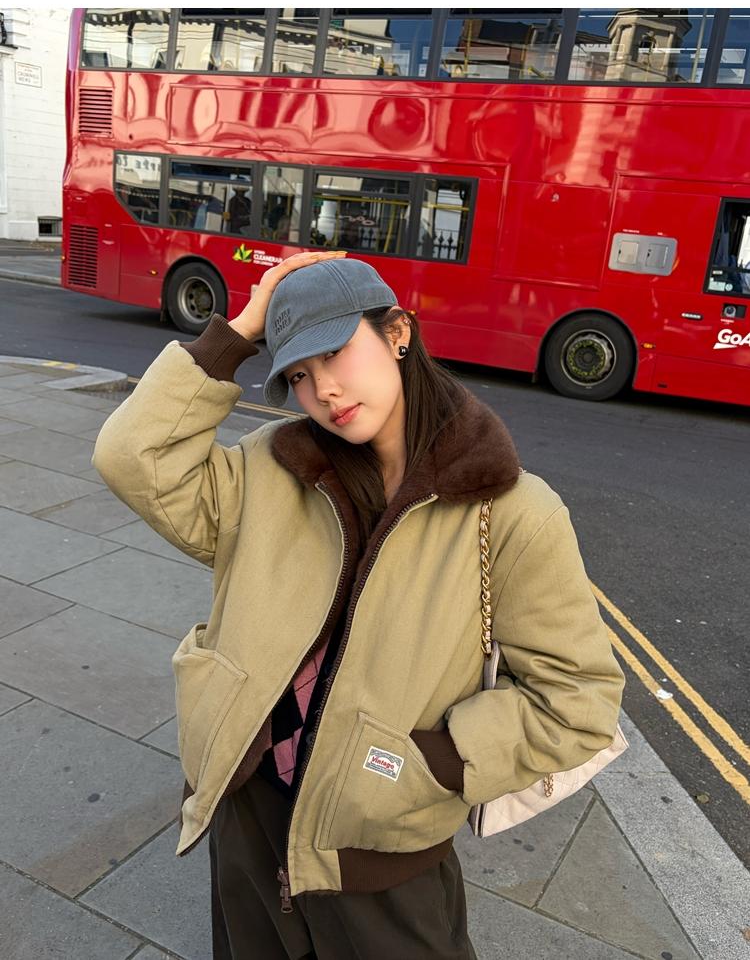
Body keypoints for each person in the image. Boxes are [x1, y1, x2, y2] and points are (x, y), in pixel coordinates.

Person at [91, 252, 625, 959]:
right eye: (299, 375)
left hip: (379, 853)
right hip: (249, 809)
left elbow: (578, 702)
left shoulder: (513, 512)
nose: (324, 391)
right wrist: (241, 331)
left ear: (398, 331)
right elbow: (133, 458)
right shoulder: (272, 466)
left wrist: (430, 765)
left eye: (335, 353)